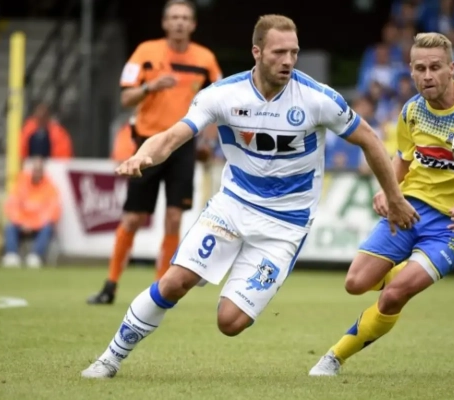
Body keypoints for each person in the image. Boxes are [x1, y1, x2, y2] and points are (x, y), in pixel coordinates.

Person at [80, 14, 420, 379]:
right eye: (279, 52)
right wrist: (143, 156)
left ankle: (244, 284)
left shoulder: (318, 99)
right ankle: (109, 358)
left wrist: (394, 197)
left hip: (285, 224)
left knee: (230, 322)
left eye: (294, 52)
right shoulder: (223, 95)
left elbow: (369, 139)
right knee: (175, 281)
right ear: (256, 52)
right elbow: (171, 136)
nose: (288, 60)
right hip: (232, 206)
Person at [309, 32, 454, 376]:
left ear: (452, 69)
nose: (427, 75)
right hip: (411, 208)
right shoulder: (412, 111)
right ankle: (404, 272)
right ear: (410, 71)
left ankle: (334, 358)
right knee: (355, 283)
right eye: (420, 68)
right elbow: (404, 158)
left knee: (394, 295)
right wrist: (389, 191)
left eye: (435, 67)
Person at [87, 0, 223, 304]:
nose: (179, 22)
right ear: (164, 23)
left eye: (185, 17)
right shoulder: (145, 52)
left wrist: (208, 143)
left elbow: (220, 104)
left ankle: (160, 289)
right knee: (133, 218)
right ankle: (110, 285)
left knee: (174, 217)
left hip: (183, 147)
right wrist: (150, 87)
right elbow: (125, 98)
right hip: (147, 146)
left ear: (193, 24)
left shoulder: (205, 59)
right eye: (174, 17)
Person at [1, 157, 61, 268]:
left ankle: (35, 256)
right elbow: (12, 206)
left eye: (39, 170)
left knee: (47, 228)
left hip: (39, 226)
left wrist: (33, 224)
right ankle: (11, 255)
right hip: (22, 224)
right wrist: (22, 222)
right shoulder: (21, 185)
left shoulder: (50, 188)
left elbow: (53, 211)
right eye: (35, 170)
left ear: (43, 172)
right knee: (10, 227)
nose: (37, 173)